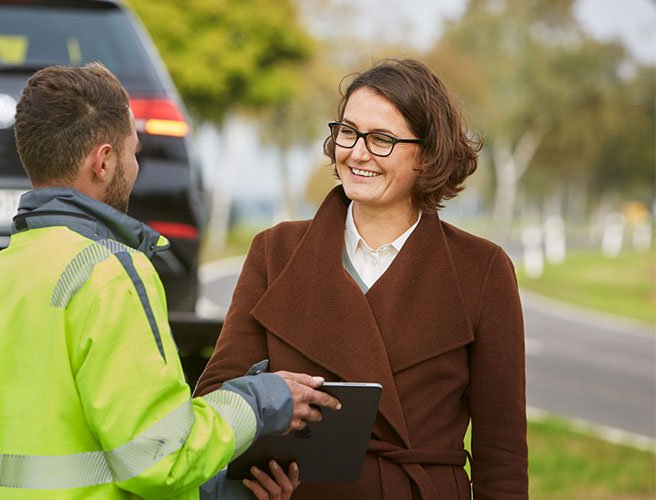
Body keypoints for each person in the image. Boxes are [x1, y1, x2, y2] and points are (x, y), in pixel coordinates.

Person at [0, 62, 340, 499]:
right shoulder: (108, 271)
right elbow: (158, 459)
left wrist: (221, 491)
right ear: (103, 161)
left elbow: (76, 448)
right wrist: (259, 399)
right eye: (133, 151)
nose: (135, 167)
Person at [194, 58, 528, 499]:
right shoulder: (275, 251)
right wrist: (255, 473)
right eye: (348, 132)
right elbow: (218, 399)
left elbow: (501, 454)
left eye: (382, 139)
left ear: (428, 153)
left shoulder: (482, 269)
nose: (357, 152)